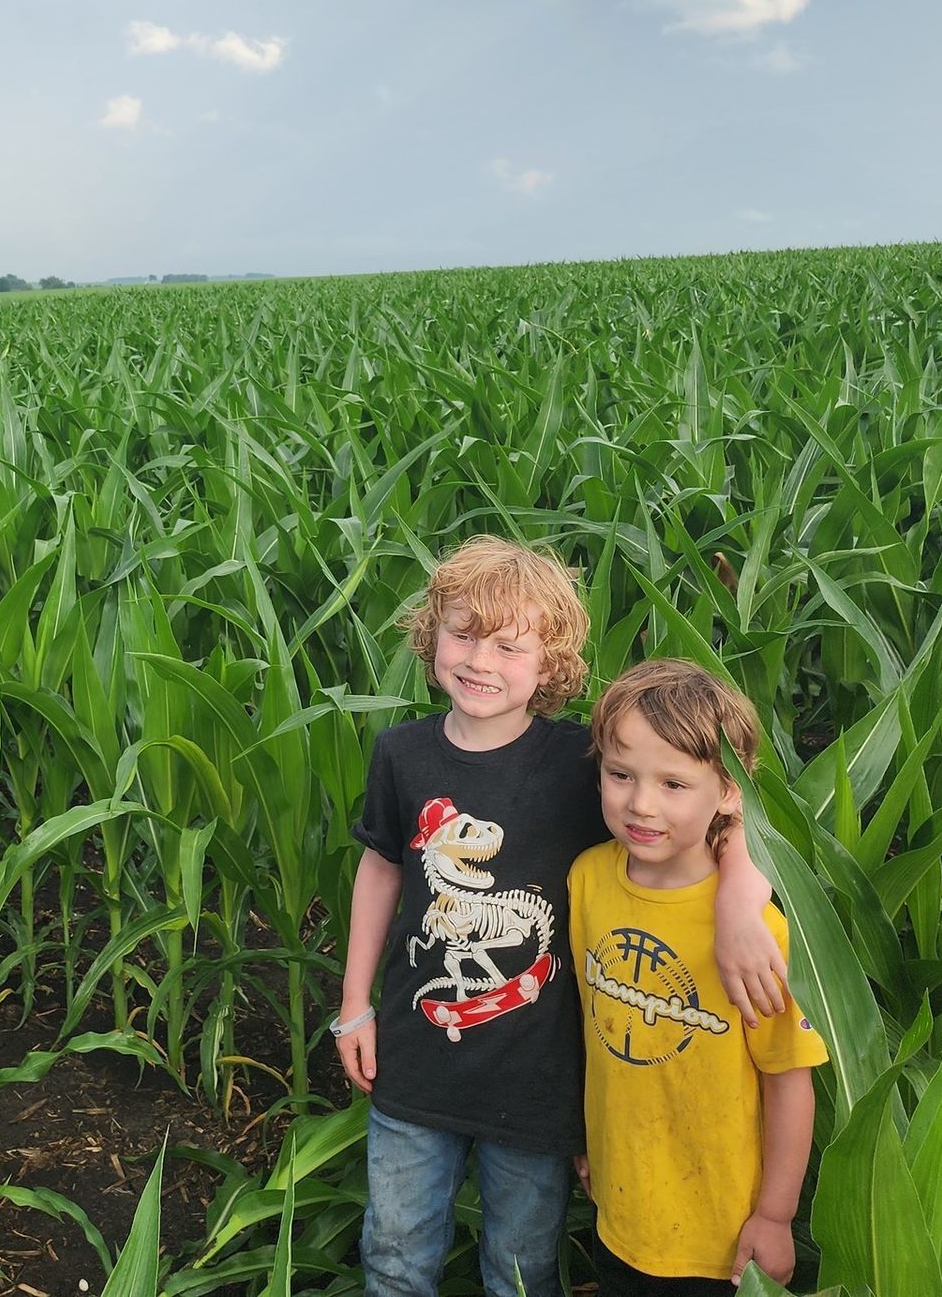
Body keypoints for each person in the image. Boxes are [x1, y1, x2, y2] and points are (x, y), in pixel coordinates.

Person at [335, 538, 786, 1297]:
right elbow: (381, 868)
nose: (481, 660)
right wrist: (353, 1008)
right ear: (431, 637)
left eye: (510, 645)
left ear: (550, 667)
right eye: (463, 634)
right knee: (394, 1253)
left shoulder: (585, 765)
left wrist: (742, 890)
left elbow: (716, 798)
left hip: (541, 1075)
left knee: (521, 1269)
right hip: (418, 1058)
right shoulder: (402, 754)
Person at [570, 659, 829, 1295]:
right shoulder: (587, 880)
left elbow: (789, 1082)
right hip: (620, 1209)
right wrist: (585, 1140)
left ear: (729, 793)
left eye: (674, 784)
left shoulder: (754, 935)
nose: (640, 804)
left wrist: (775, 1216)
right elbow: (588, 1031)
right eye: (620, 774)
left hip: (722, 1235)